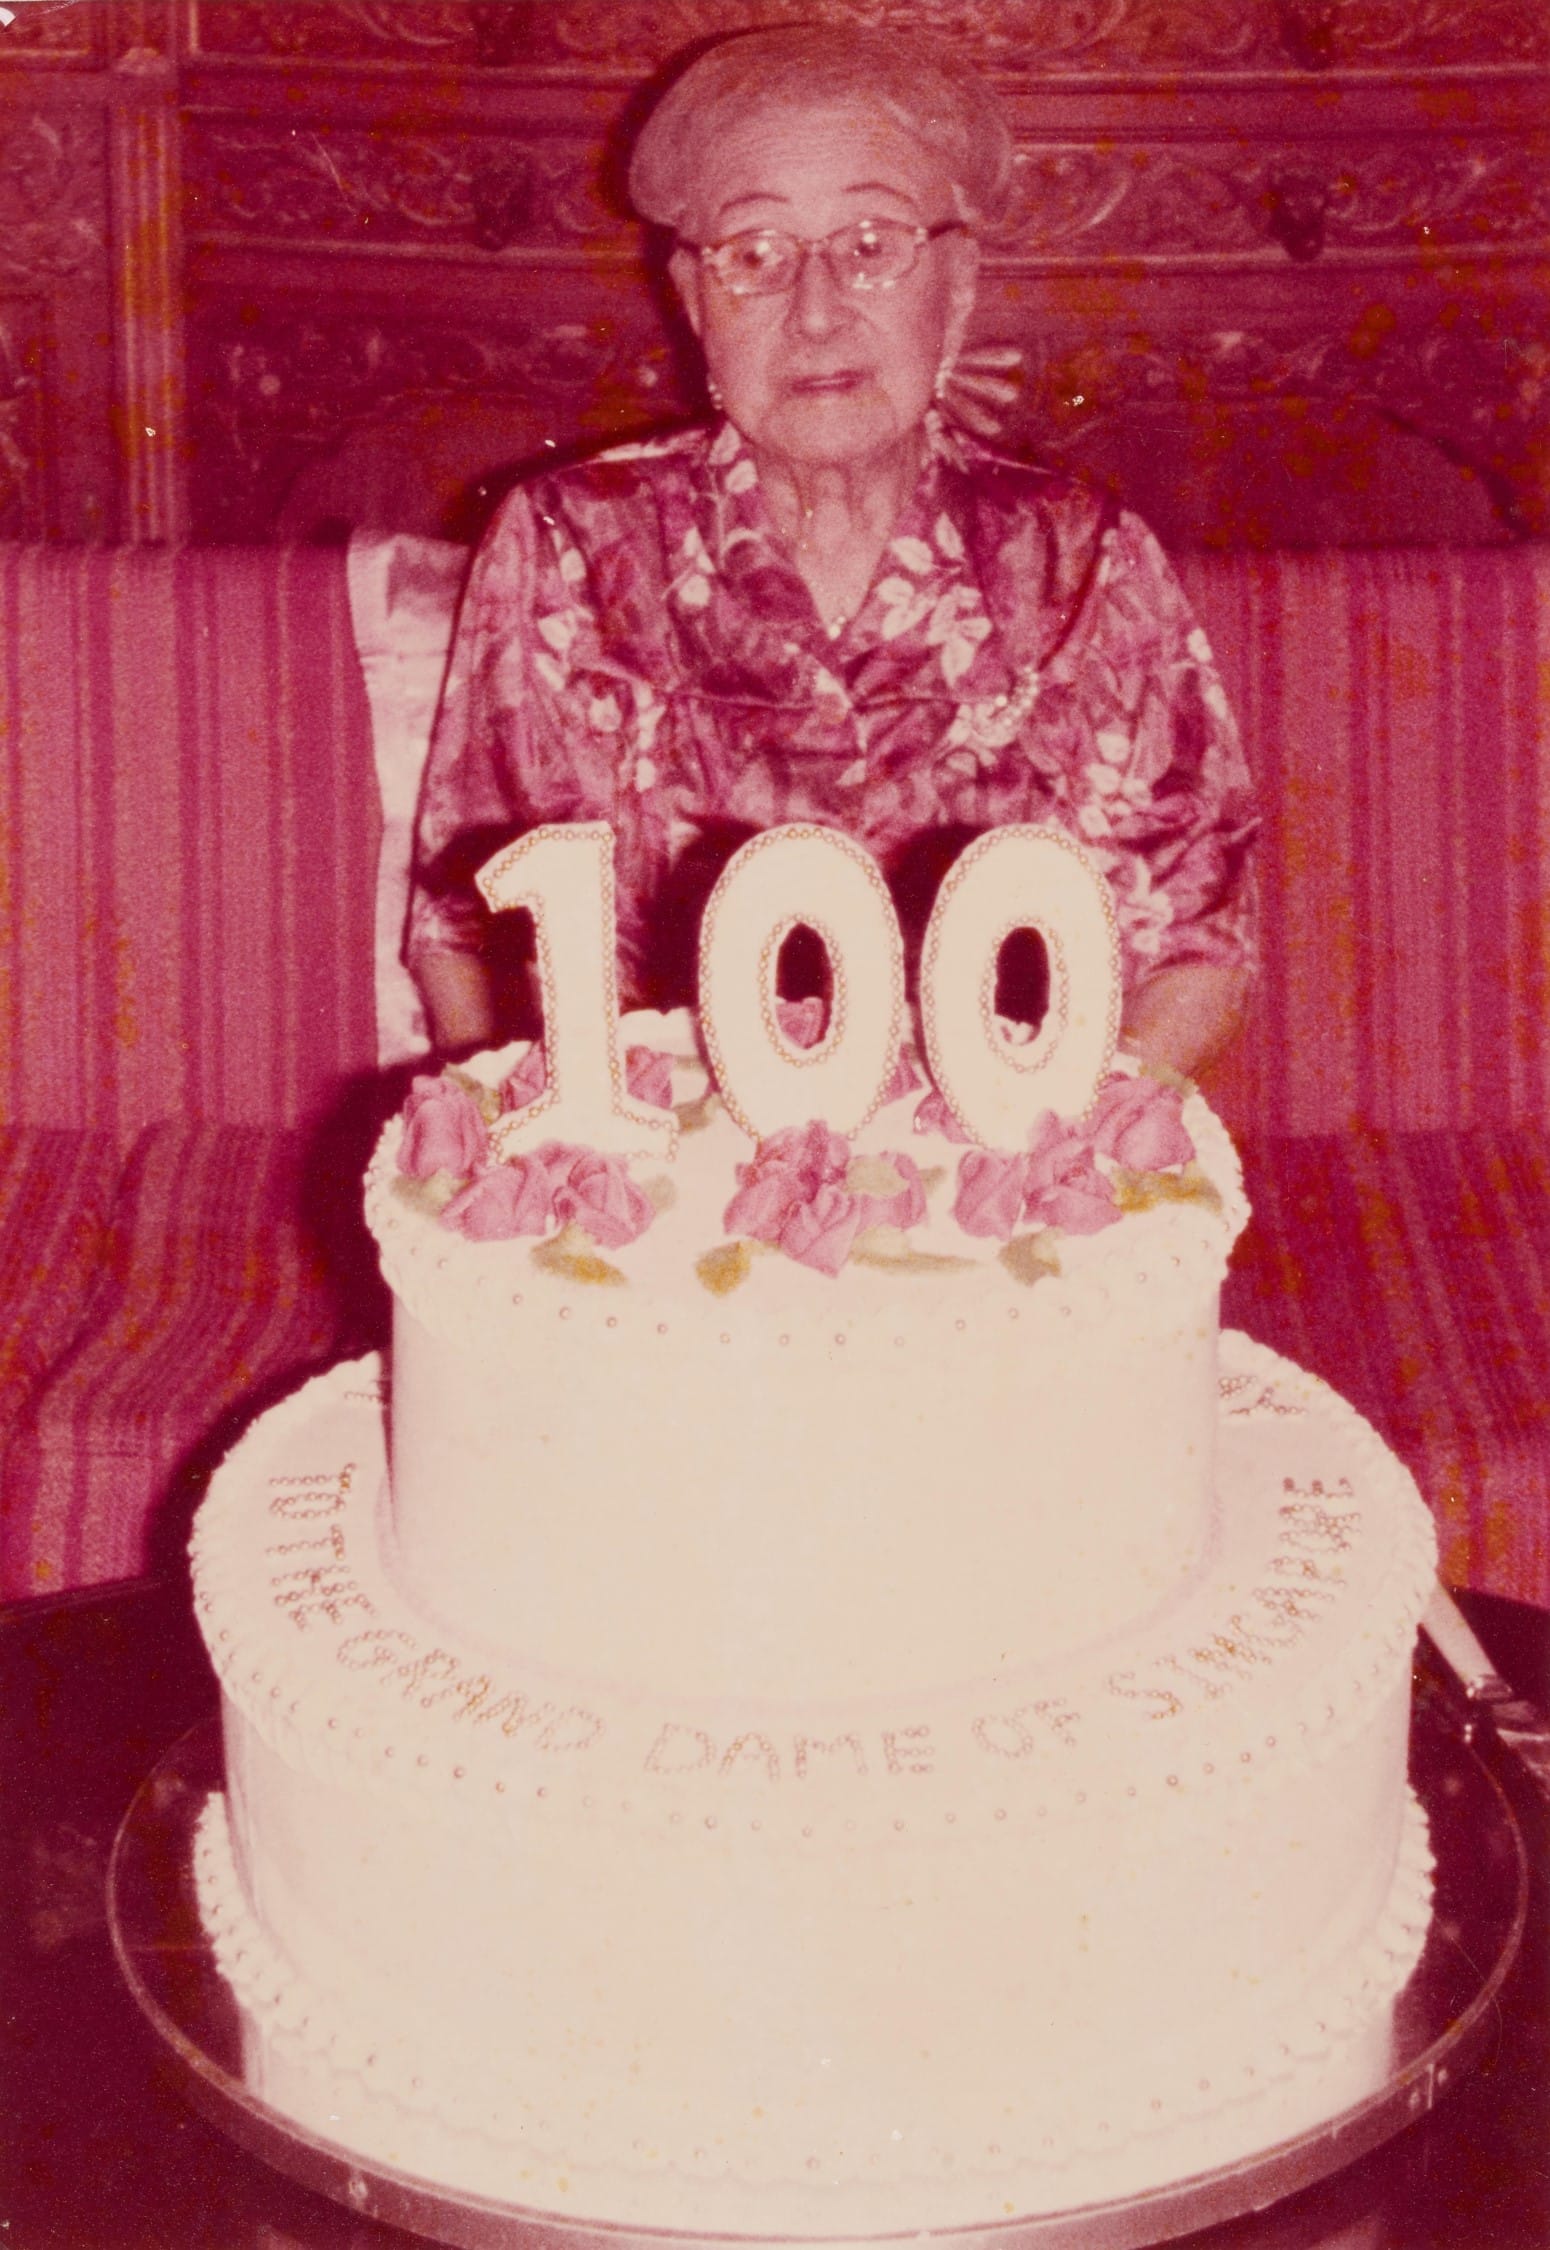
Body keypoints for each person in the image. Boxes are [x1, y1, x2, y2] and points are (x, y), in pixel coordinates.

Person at [407, 25, 1257, 1078]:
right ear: (693, 304)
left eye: (869, 246)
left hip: (999, 1191)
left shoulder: (1076, 562)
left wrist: (1039, 1177)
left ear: (953, 290)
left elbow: (1194, 947)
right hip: (655, 1191)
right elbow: (470, 930)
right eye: (754, 256)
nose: (813, 313)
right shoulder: (569, 544)